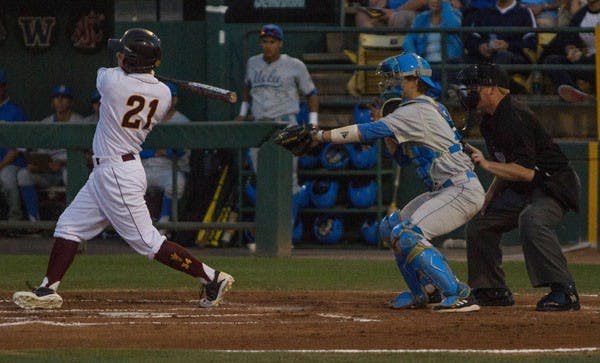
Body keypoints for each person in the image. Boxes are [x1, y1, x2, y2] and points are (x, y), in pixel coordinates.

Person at [12, 28, 234, 310]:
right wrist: (145, 72)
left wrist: (137, 70)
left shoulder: (112, 82)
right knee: (69, 226)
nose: (118, 55)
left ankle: (211, 277)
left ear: (131, 61)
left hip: (117, 173)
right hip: (112, 171)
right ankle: (48, 288)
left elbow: (108, 70)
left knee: (148, 243)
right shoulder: (164, 93)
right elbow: (135, 75)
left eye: (124, 53)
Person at [309, 52, 485, 312]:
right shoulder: (425, 107)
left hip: (461, 189)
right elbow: (403, 160)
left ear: (414, 79)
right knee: (390, 227)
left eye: (396, 78)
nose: (390, 84)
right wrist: (389, 131)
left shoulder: (418, 110)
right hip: (445, 189)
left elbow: (366, 132)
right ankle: (423, 293)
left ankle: (457, 292)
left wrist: (320, 135)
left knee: (408, 234)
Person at [456, 63, 581, 311]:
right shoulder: (489, 120)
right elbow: (508, 164)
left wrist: (487, 165)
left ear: (492, 88)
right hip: (525, 187)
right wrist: (490, 195)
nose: (469, 91)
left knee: (532, 220)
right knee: (482, 222)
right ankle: (492, 289)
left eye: (475, 86)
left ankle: (564, 290)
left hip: (553, 185)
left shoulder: (515, 115)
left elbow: (524, 171)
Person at [235, 24, 319, 229]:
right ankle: (269, 230)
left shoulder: (294, 64)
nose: (268, 46)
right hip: (259, 124)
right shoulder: (253, 62)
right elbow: (247, 88)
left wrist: (313, 124)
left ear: (280, 43)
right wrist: (242, 113)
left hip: (285, 123)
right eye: (264, 41)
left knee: (288, 179)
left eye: (272, 42)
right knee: (262, 178)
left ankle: (287, 228)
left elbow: (311, 94)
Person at [17, 84, 83, 222]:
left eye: (64, 97)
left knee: (70, 175)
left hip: (69, 167)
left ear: (71, 102)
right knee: (23, 175)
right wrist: (38, 165)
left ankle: (73, 222)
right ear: (52, 102)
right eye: (56, 97)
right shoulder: (45, 123)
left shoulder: (80, 122)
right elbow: (39, 153)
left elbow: (87, 154)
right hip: (49, 170)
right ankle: (34, 220)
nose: (59, 101)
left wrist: (64, 162)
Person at [140, 82, 190, 235]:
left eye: (170, 97)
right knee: (127, 184)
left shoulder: (182, 121)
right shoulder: (146, 118)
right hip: (145, 165)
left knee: (177, 183)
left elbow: (183, 151)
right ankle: (137, 227)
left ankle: (164, 222)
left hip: (170, 167)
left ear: (175, 100)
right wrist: (155, 152)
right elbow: (135, 147)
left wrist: (166, 152)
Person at [463, 0, 537, 92]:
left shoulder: (524, 12)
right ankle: (456, 94)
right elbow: (471, 39)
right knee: (454, 62)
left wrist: (508, 46)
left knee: (502, 56)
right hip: (486, 58)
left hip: (514, 58)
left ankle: (489, 94)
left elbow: (531, 42)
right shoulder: (483, 12)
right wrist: (480, 47)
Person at [540, 0, 599, 103]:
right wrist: (570, 49)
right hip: (587, 62)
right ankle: (576, 93)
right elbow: (569, 38)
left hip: (595, 60)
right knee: (552, 61)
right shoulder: (581, 14)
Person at [402, 0, 464, 84]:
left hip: (449, 62)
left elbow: (452, 27)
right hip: (426, 64)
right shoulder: (421, 18)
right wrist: (416, 59)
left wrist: (445, 5)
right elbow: (408, 41)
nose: (435, 2)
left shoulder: (455, 14)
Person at [0, 69, 28, 223]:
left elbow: (17, 148)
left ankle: (14, 222)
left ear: (4, 87)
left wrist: (1, 165)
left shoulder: (15, 111)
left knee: (7, 180)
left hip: (11, 164)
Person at [355, 0, 427, 28]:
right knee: (362, 14)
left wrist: (395, 11)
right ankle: (371, 47)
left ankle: (395, 52)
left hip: (412, 11)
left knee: (398, 17)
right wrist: (377, 10)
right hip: (388, 11)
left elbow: (421, 1)